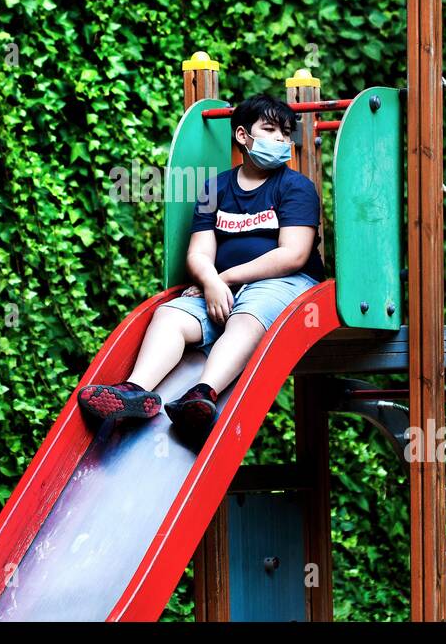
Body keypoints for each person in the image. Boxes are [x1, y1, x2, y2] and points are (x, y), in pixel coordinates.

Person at [77, 93, 326, 443]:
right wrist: (209, 280)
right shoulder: (217, 187)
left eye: (286, 133)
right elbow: (198, 253)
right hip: (221, 285)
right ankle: (136, 392)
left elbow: (293, 255)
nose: (281, 140)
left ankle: (202, 394)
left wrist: (222, 279)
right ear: (243, 135)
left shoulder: (295, 187)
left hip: (281, 282)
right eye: (269, 130)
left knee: (247, 316)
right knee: (169, 316)